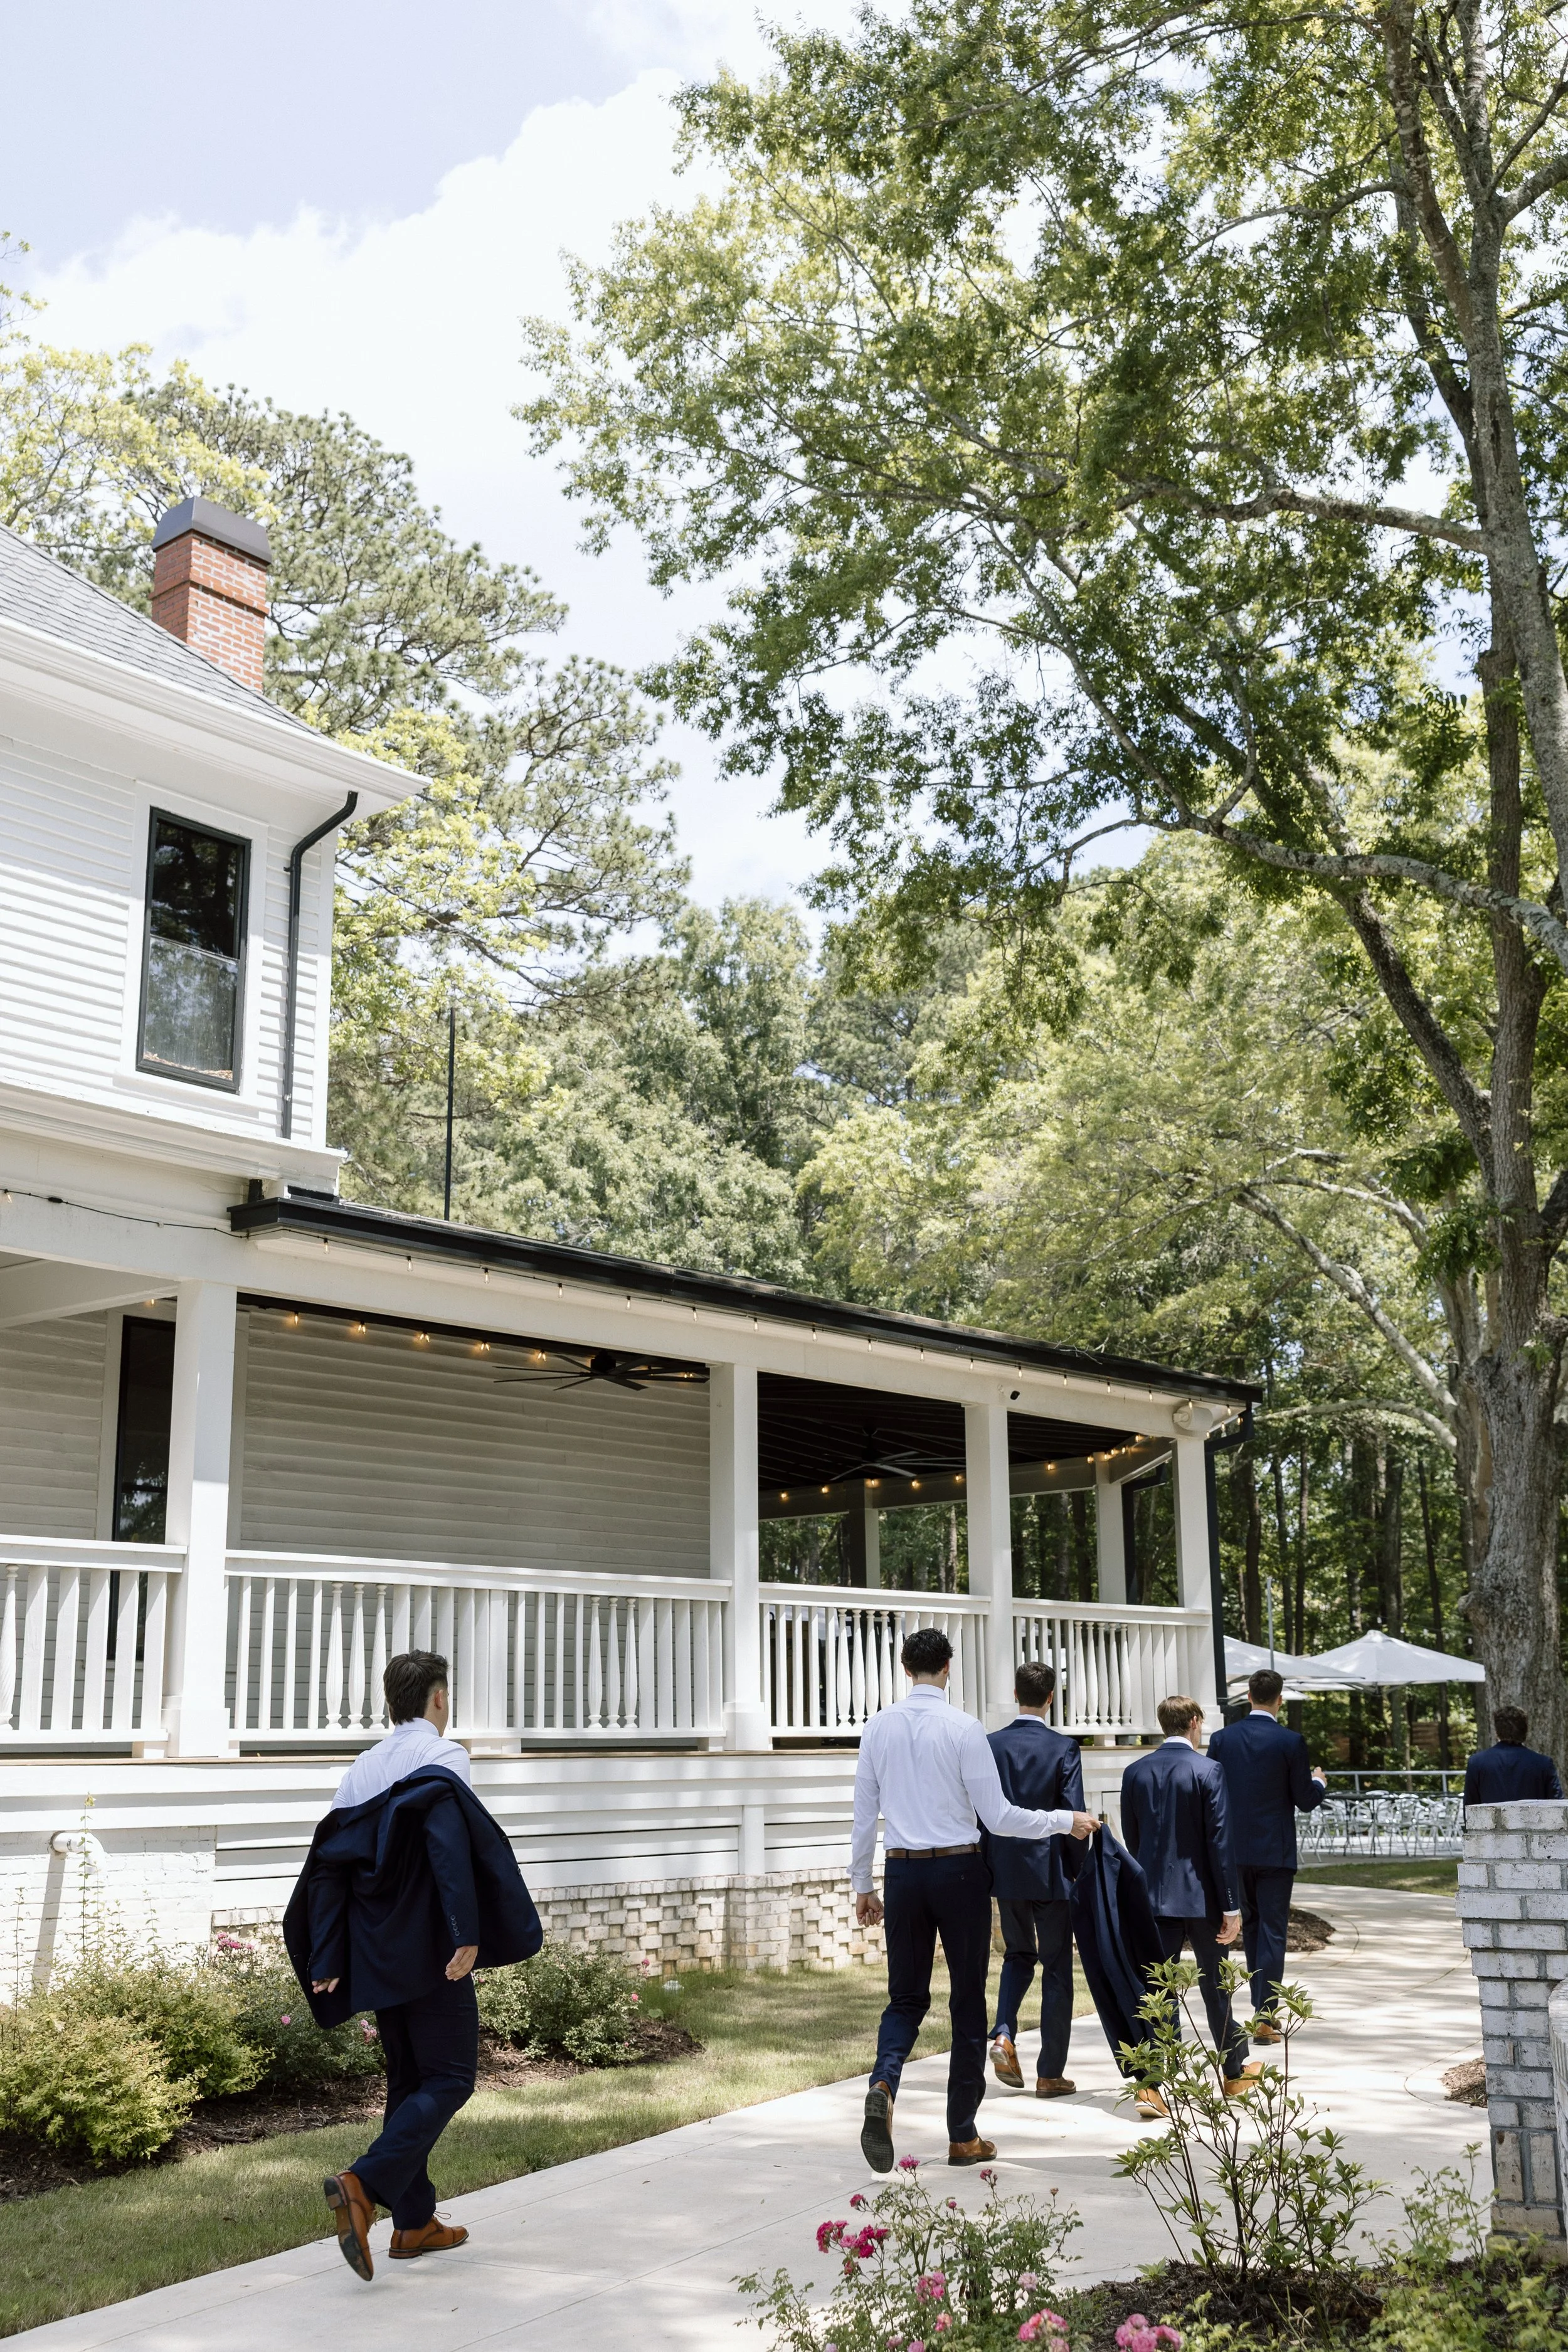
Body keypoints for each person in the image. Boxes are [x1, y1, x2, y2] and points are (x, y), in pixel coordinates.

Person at [284, 1650, 543, 2282]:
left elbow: (329, 1867)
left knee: (408, 2082)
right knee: (451, 2078)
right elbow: (448, 1848)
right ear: (436, 1700)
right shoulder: (443, 1758)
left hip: (375, 1954)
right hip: (431, 1947)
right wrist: (465, 1932)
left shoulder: (362, 1770)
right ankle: (362, 2183)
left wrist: (326, 1955)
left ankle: (414, 2224)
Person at [851, 1627, 1098, 2171]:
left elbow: (864, 1816)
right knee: (967, 2002)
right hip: (960, 1873)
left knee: (906, 1999)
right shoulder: (965, 1730)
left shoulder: (877, 1728)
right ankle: (962, 2135)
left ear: (903, 1666)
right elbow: (1001, 1818)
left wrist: (863, 1887)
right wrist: (1066, 1820)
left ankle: (885, 2081)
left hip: (903, 1874)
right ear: (947, 1668)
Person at [1118, 1693, 1253, 2114]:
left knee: (1156, 1991)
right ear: (1194, 1722)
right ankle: (1233, 2074)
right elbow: (1220, 1841)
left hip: (1154, 1897)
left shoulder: (1135, 1772)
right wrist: (1232, 1906)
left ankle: (1151, 2086)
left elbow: (1132, 1838)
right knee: (1217, 1985)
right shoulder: (1209, 1769)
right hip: (1204, 1899)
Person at [1207, 1667, 1329, 2043]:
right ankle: (1264, 2016)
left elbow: (1212, 1792)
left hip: (1234, 1851)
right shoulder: (1291, 1741)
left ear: (1248, 1697)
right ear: (1280, 1699)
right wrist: (1320, 1783)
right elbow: (1304, 1801)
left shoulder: (1222, 1739)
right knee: (1272, 1931)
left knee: (1246, 1928)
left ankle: (1241, 2013)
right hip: (1275, 1851)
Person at [983, 1659, 1087, 2097]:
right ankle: (1049, 2073)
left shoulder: (990, 1745)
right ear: (1050, 1699)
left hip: (1005, 1869)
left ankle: (1004, 2033)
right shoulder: (1064, 1749)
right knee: (1058, 1968)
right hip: (1050, 1872)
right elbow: (1075, 1817)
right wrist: (1078, 1871)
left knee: (1017, 1955)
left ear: (1015, 1694)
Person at [1464, 1707, 1565, 1803]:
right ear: (1525, 1731)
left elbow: (1469, 1808)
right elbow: (1558, 1807)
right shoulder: (1544, 1764)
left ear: (1497, 1732)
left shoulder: (1477, 1763)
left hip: (1490, 1822)